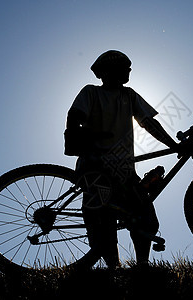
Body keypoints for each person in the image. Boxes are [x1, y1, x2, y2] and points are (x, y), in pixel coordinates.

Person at [65, 50, 177, 268]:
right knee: (102, 222)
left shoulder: (129, 95)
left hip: (124, 170)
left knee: (144, 215)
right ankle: (113, 269)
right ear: (109, 70)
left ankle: (142, 265)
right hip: (95, 167)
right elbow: (74, 117)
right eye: (124, 67)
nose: (129, 71)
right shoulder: (91, 93)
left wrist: (174, 145)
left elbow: (149, 123)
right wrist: (88, 137)